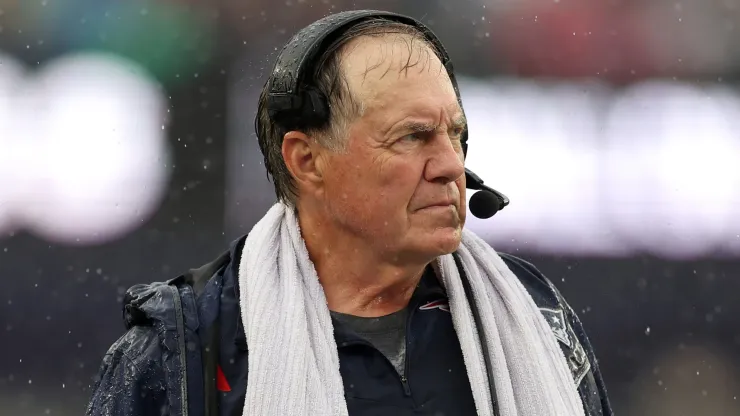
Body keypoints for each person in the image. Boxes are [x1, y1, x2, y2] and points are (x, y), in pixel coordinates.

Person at [86, 10, 613, 416]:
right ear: (307, 160)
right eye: (412, 137)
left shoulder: (536, 314)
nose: (451, 166)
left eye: (456, 134)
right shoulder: (185, 347)